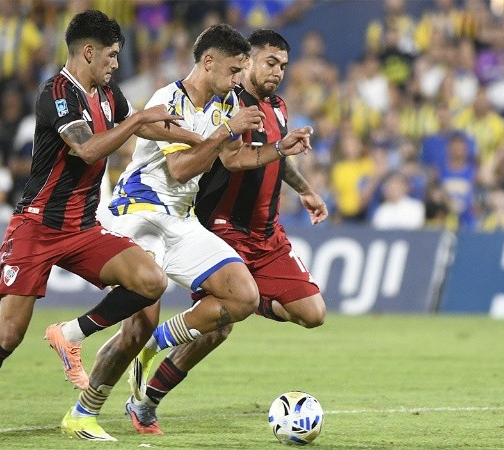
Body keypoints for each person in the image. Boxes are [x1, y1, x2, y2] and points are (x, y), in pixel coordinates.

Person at [50, 24, 314, 441]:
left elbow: (232, 159)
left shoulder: (227, 101)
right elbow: (179, 169)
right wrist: (226, 131)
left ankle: (154, 344)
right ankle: (83, 412)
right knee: (136, 327)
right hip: (138, 215)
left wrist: (280, 149)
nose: (238, 80)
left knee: (243, 296)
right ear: (208, 62)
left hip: (180, 218)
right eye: (233, 70)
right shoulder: (168, 100)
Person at [0, 10, 192, 443]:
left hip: (82, 228)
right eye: (111, 56)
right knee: (9, 333)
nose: (116, 64)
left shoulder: (109, 95)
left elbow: (149, 128)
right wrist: (137, 120)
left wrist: (210, 140)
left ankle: (71, 335)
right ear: (88, 52)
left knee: (151, 281)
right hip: (36, 226)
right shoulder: (56, 94)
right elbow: (88, 150)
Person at [123, 29, 328, 435]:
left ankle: (244, 303)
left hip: (267, 234)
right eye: (270, 62)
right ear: (247, 62)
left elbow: (276, 155)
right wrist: (273, 147)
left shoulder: (278, 107)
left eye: (283, 66)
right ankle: (147, 398)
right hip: (223, 229)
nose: (277, 72)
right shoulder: (228, 104)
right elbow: (235, 159)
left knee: (313, 313)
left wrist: (305, 189)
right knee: (217, 331)